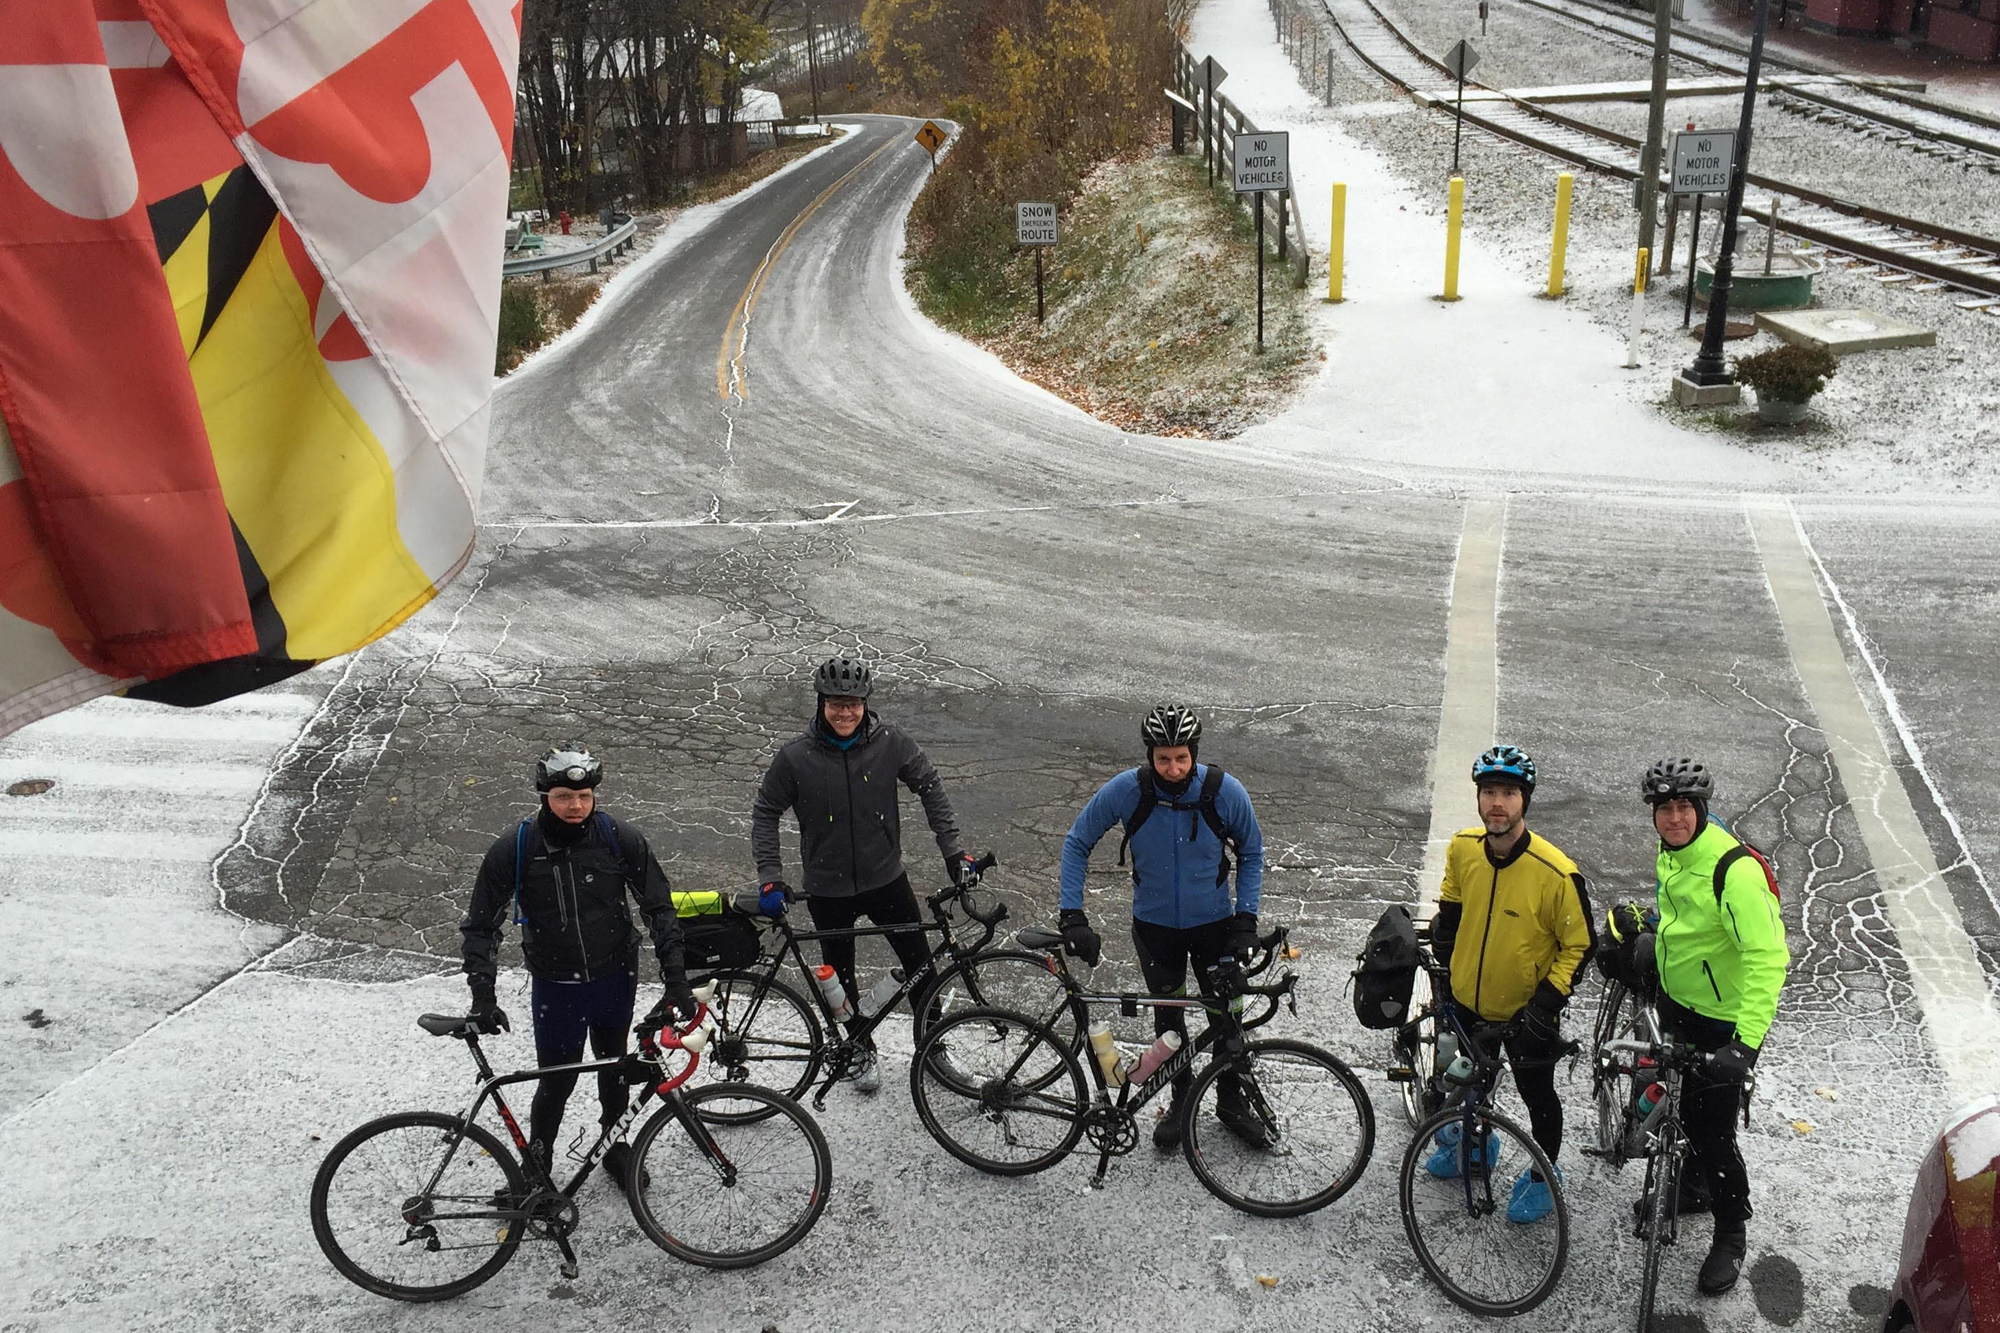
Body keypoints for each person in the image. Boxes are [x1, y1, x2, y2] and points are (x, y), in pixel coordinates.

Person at [460, 747, 694, 1193]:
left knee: (617, 1069)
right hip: (557, 985)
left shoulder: (616, 837)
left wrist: (676, 979)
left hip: (614, 976)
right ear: (546, 795)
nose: (575, 807)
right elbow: (481, 924)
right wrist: (482, 994)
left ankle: (614, 1145)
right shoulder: (517, 848)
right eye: (564, 796)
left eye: (584, 796)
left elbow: (659, 907)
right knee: (556, 1080)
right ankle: (538, 1166)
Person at [751, 656, 978, 1092]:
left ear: (865, 705)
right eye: (836, 704)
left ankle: (933, 1047)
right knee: (840, 977)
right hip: (826, 889)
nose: (845, 713)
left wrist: (953, 851)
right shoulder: (795, 758)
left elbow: (929, 785)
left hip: (885, 880)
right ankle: (858, 1047)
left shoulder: (890, 742)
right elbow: (765, 811)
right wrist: (769, 875)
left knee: (920, 966)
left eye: (853, 704)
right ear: (821, 704)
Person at [1056, 703, 1267, 1150]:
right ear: (1150, 755)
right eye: (1163, 758)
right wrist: (1072, 914)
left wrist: (1246, 919)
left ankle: (1232, 1103)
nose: (1173, 769)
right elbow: (1077, 843)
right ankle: (1181, 1098)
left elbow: (1251, 852)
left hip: (1216, 926)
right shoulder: (1127, 791)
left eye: (1182, 758)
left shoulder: (1223, 792)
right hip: (1155, 929)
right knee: (1168, 1019)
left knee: (1226, 1017)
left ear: (1194, 753)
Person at [1425, 745, 1595, 1223]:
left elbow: (1580, 945)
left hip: (1526, 1011)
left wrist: (1545, 1004)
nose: (1497, 803)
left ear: (1525, 801)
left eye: (1509, 793)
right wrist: (1446, 947)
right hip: (1467, 1000)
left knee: (1537, 1096)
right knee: (1471, 1085)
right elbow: (1453, 906)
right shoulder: (1463, 848)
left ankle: (1544, 1178)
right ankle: (1477, 1149)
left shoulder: (1556, 873)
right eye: (1489, 792)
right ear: (1479, 798)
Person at [1638, 757, 1789, 1296]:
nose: (1674, 818)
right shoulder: (1672, 851)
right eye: (1664, 808)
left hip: (1723, 1023)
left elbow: (1769, 959)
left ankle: (1730, 1231)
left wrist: (1745, 1046)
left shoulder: (1735, 870)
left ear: (1702, 809)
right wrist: (1650, 935)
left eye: (1684, 807)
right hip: (1679, 1004)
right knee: (1675, 1104)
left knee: (1712, 1132)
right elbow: (1686, 919)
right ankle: (1695, 1187)